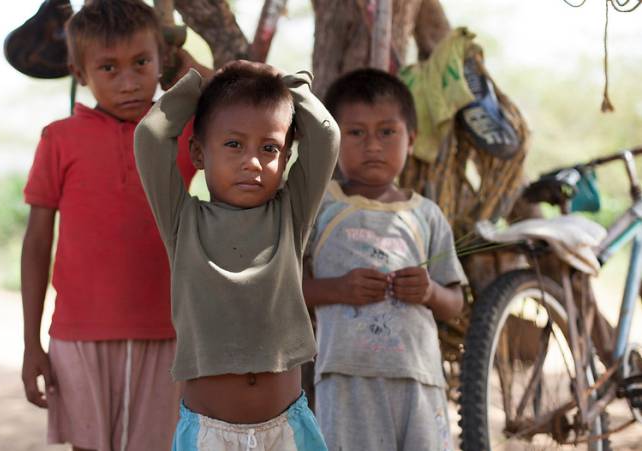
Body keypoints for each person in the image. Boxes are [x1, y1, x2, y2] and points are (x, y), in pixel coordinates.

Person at [133, 61, 339, 450]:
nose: (253, 162)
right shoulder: (182, 221)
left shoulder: (291, 214)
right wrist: (201, 84)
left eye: (269, 148)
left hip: (286, 429)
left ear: (287, 155)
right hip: (210, 434)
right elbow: (150, 135)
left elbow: (326, 138)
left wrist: (290, 86)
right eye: (233, 144)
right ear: (197, 152)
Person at [20, 1, 197, 450]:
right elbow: (37, 243)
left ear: (162, 59)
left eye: (142, 63)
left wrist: (188, 64)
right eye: (108, 68)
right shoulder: (58, 139)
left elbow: (237, 103)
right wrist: (30, 343)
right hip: (77, 335)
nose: (129, 81)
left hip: (167, 332)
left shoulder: (183, 132)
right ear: (80, 73)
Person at [302, 68, 467, 451]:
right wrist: (337, 289)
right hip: (344, 377)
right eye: (356, 133)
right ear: (333, 140)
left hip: (420, 377)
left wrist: (429, 292)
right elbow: (287, 290)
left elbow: (455, 303)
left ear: (412, 138)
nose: (372, 145)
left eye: (387, 132)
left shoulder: (426, 215)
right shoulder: (318, 205)